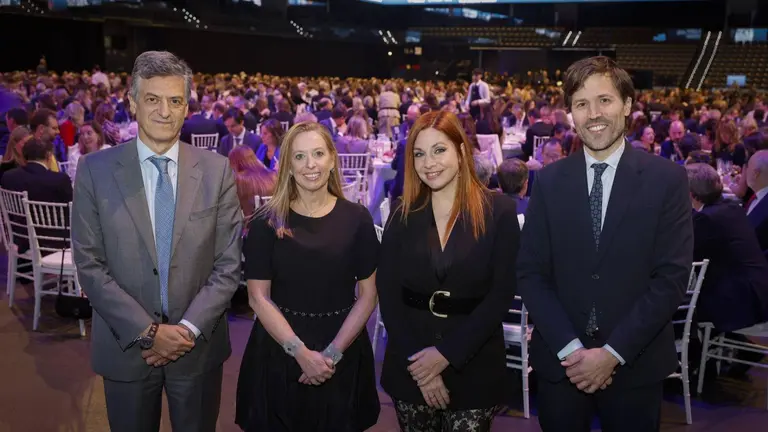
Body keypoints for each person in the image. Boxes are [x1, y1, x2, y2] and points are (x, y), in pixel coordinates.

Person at [517, 56, 693, 432]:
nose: (593, 113)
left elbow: (670, 279)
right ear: (570, 114)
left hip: (635, 363)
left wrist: (612, 354)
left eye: (605, 100)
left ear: (628, 105)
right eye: (581, 104)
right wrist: (572, 350)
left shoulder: (668, 181)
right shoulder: (548, 182)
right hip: (562, 366)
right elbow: (531, 274)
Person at [71, 51, 243, 432]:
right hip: (125, 347)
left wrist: (186, 331)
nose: (164, 111)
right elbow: (89, 265)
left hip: (196, 347)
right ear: (133, 103)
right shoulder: (95, 171)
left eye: (175, 100)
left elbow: (228, 265)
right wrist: (148, 332)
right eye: (152, 99)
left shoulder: (217, 171)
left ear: (186, 107)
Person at [377, 111, 519, 431]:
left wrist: (446, 355)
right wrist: (422, 367)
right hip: (410, 364)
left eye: (439, 150)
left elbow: (501, 294)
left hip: (473, 363)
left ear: (461, 150)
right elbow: (388, 293)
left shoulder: (499, 212)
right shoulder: (402, 213)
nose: (429, 163)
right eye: (419, 154)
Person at [235, 121, 380, 431]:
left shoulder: (357, 219)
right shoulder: (266, 222)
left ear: (331, 160)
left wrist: (331, 355)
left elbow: (368, 295)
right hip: (280, 347)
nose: (310, 164)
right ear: (287, 165)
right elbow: (257, 298)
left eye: (317, 154)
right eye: (299, 157)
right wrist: (300, 352)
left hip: (342, 346)